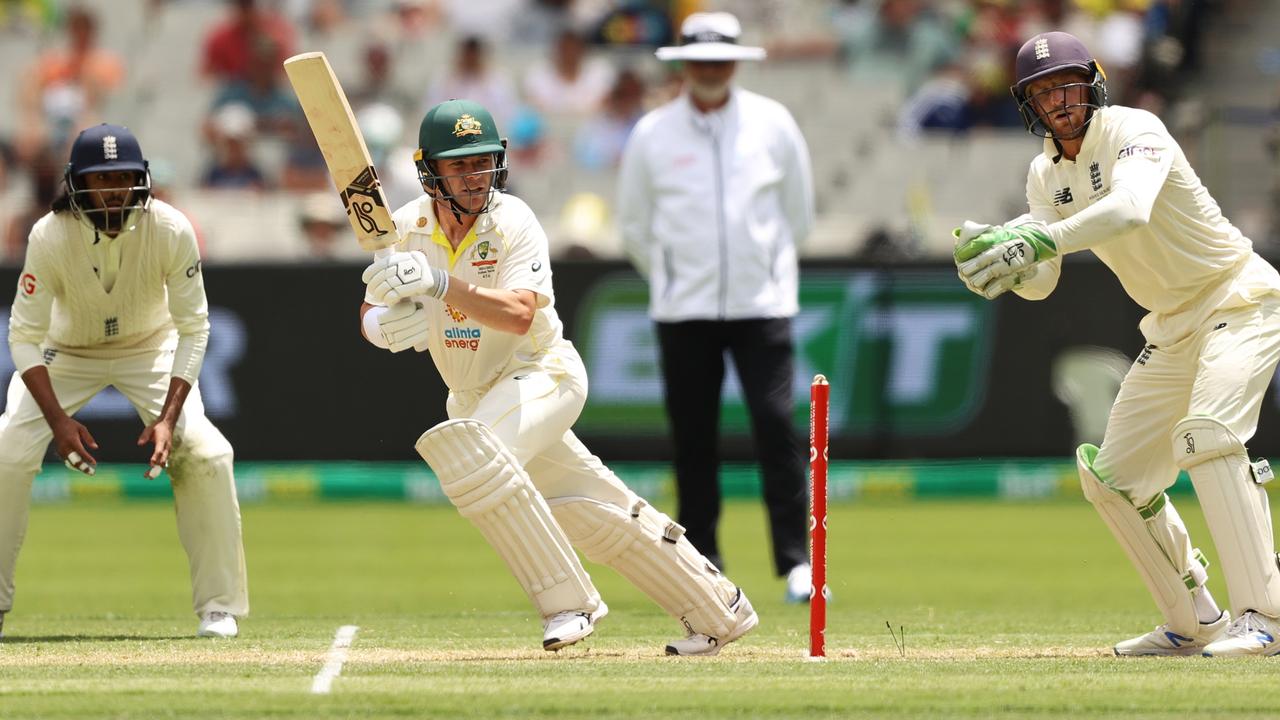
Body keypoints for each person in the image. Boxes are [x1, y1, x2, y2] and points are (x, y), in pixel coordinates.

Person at [358, 99, 757, 656]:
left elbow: (520, 313)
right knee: (594, 510)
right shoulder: (405, 227)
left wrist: (439, 285)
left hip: (542, 374)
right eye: (460, 165)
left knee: (474, 458)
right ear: (431, 171)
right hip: (474, 394)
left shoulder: (513, 220)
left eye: (482, 162)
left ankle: (572, 604)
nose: (475, 177)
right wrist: (383, 325)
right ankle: (720, 609)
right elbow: (371, 303)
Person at [954, 31, 1280, 658]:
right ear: (1029, 107)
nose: (1060, 100)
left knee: (1207, 433)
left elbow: (1128, 210)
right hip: (1173, 324)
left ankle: (1265, 615)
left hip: (1238, 297)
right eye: (1044, 92)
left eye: (1069, 83)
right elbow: (1043, 285)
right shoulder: (1044, 176)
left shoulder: (1135, 129)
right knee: (1114, 477)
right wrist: (1006, 261)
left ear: (1093, 82)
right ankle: (1195, 622)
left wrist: (1041, 241)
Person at [0, 125, 248, 639]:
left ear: (142, 179)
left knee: (205, 452)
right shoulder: (49, 234)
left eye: (123, 177)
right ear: (77, 185)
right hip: (65, 351)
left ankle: (219, 607)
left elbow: (194, 327)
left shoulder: (171, 228)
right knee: (6, 451)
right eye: (101, 178)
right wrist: (57, 421)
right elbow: (23, 335)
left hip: (149, 347)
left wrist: (169, 417)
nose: (114, 189)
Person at [616, 11, 816, 604]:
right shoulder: (653, 133)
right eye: (698, 61)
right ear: (683, 65)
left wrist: (772, 270)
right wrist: (673, 278)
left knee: (775, 426)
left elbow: (798, 213)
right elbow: (633, 224)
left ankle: (794, 561)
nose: (709, 70)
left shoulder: (772, 123)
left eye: (719, 60)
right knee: (693, 436)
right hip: (684, 311)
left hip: (762, 304)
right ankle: (702, 558)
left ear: (736, 63)